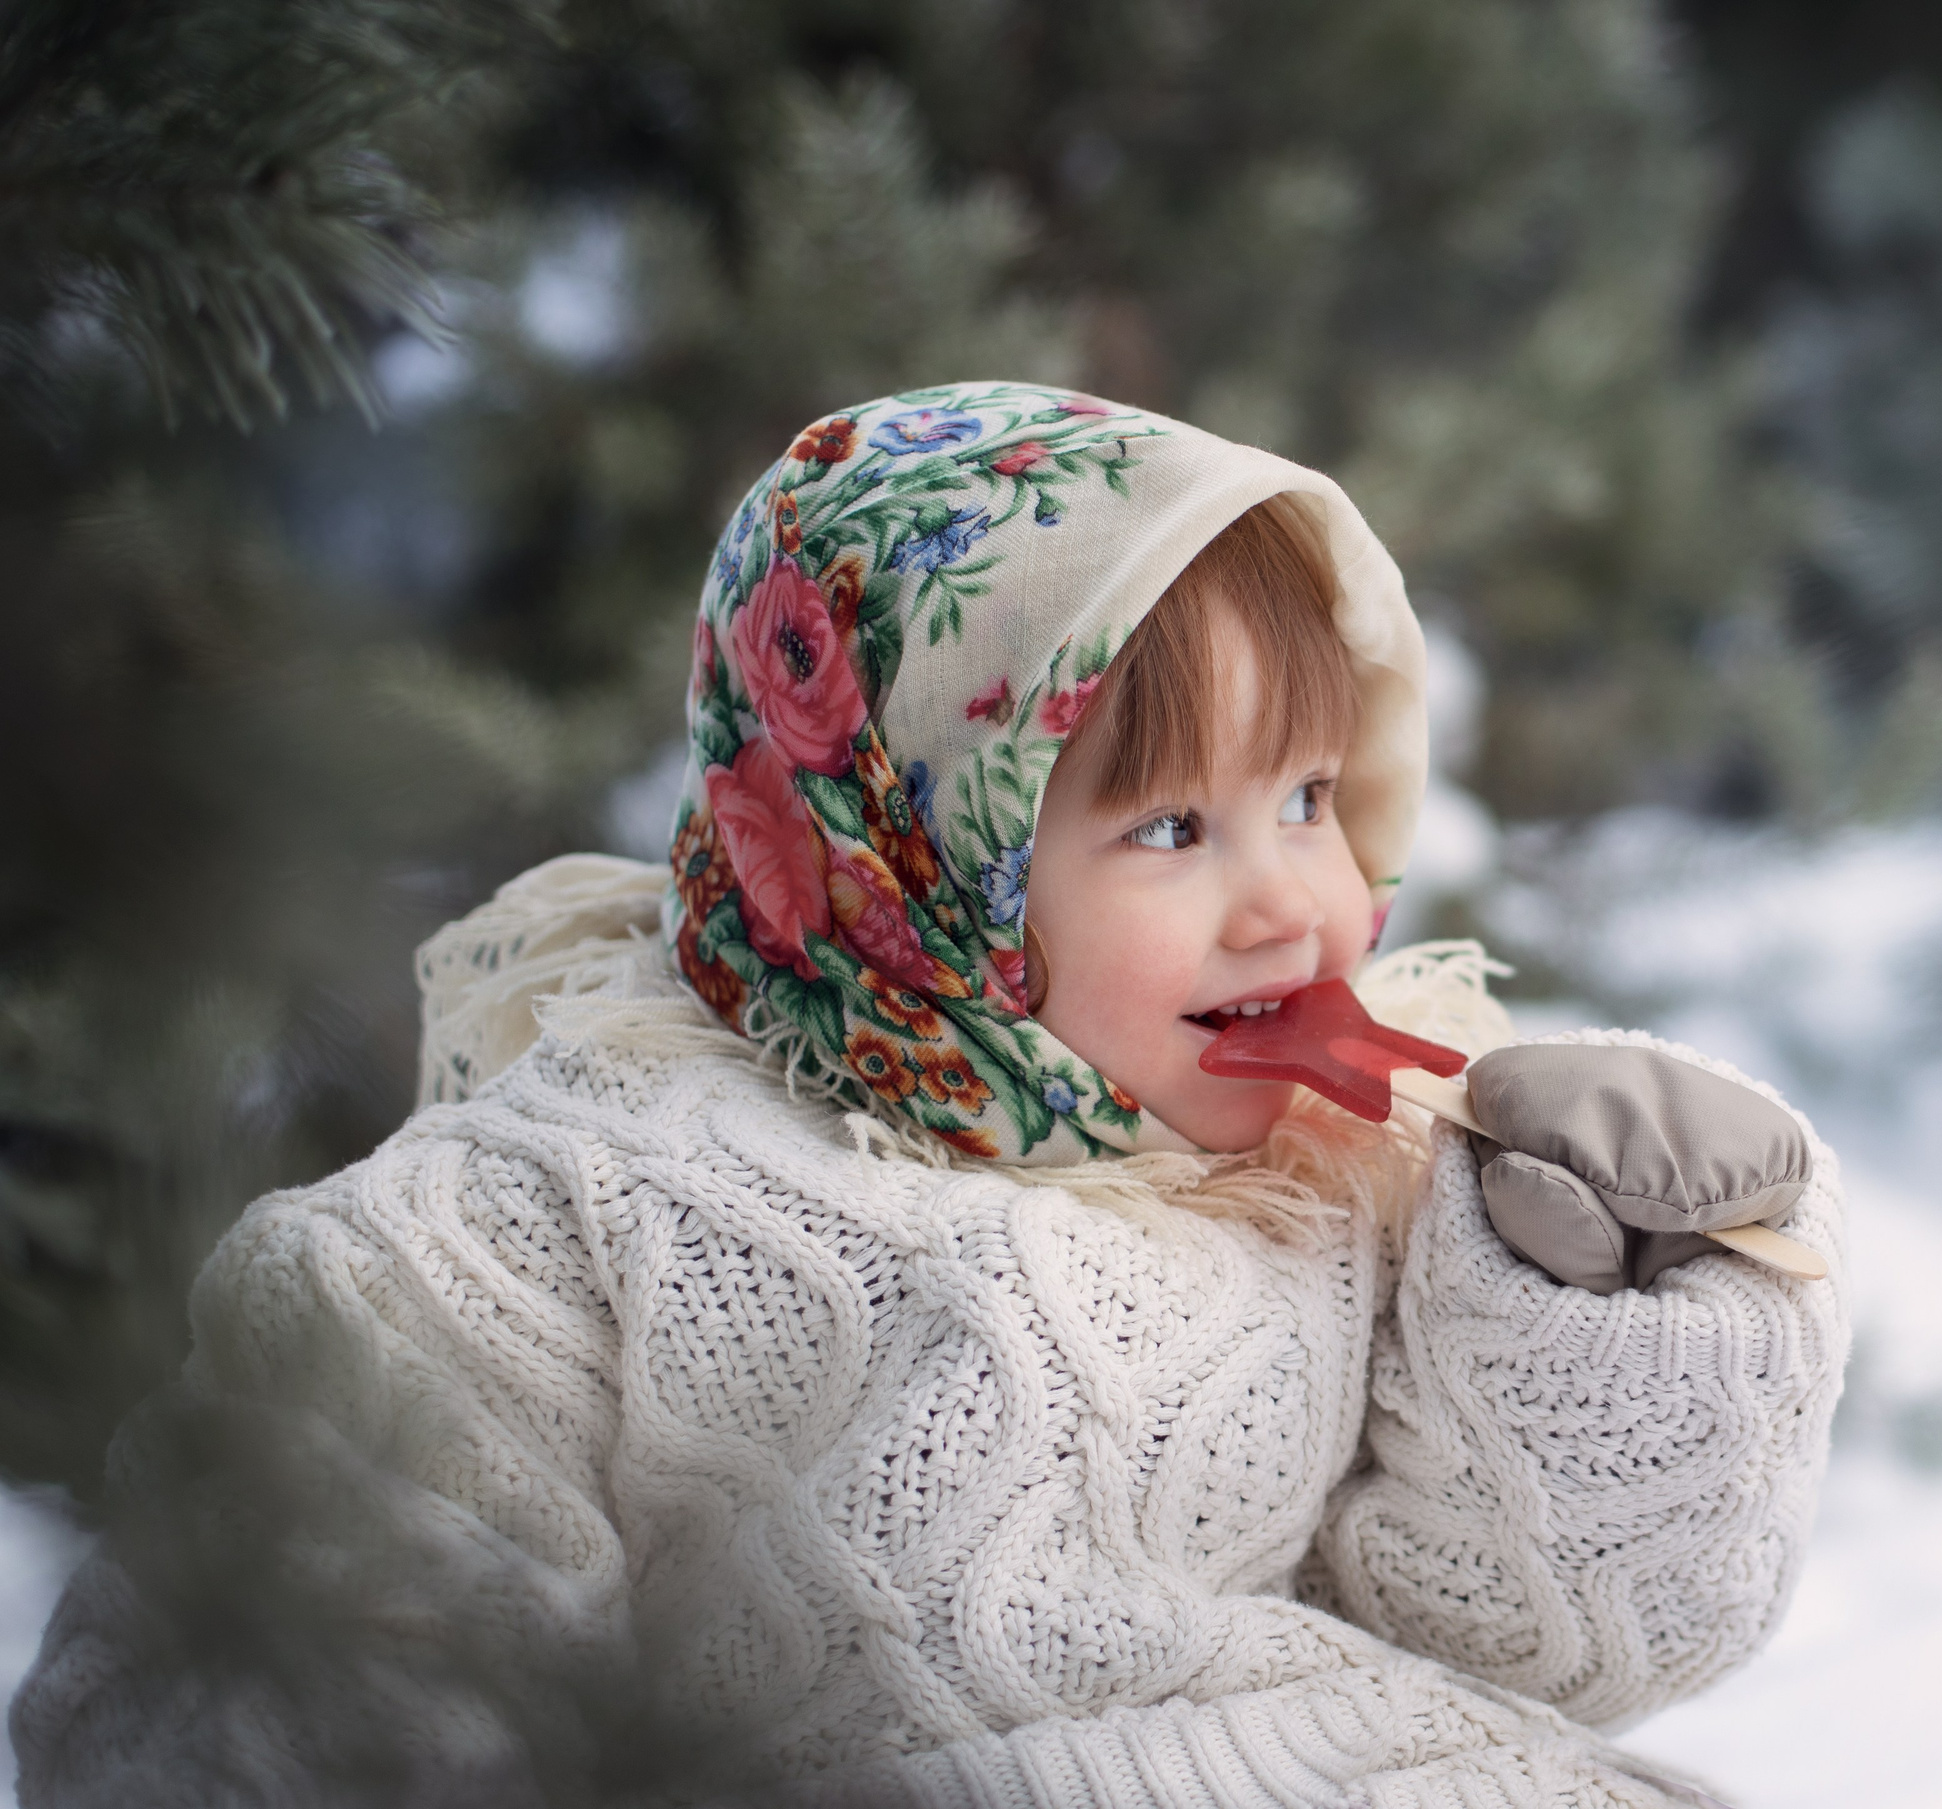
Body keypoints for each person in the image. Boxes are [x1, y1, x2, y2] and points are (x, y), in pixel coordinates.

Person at [11, 382, 1848, 1808]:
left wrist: (1598, 1308)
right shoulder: (586, 1199)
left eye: (1308, 795)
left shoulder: (1346, 1172)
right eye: (1172, 827)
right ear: (901, 848)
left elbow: (1540, 1637)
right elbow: (250, 1669)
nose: (1296, 898)